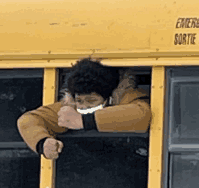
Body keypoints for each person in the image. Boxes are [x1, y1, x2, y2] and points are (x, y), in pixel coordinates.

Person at [17, 58, 151, 160]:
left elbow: (142, 115)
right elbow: (29, 120)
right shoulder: (69, 107)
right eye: (79, 100)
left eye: (91, 100)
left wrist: (84, 121)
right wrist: (43, 142)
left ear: (109, 97)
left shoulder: (126, 98)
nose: (84, 106)